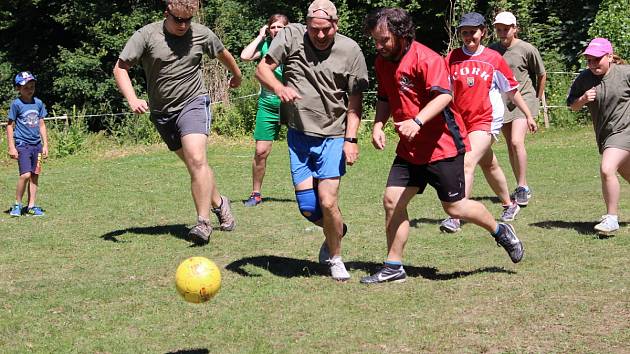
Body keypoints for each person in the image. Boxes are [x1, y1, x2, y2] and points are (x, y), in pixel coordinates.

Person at [360, 8, 524, 284]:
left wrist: (418, 120)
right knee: (392, 201)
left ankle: (500, 230)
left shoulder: (427, 58)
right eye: (375, 40)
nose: (379, 46)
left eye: (384, 39)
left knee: (455, 208)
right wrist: (378, 124)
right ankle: (394, 265)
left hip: (442, 146)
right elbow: (385, 95)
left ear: (401, 34)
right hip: (410, 149)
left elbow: (444, 97)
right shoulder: (382, 61)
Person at [255, 0, 369, 281]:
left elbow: (355, 99)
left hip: (333, 135)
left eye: (325, 30)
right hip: (299, 135)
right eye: (314, 29)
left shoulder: (350, 50)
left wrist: (351, 139)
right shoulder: (290, 36)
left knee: (328, 202)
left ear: (336, 25)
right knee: (309, 208)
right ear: (306, 24)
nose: (319, 36)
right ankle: (337, 230)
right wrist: (279, 87)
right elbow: (262, 69)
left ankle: (336, 258)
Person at [113, 0, 242, 244]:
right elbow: (120, 69)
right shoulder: (146, 35)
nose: (183, 25)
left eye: (188, 20)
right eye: (178, 20)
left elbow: (223, 54)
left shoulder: (202, 34)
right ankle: (219, 202)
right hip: (162, 113)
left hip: (193, 102)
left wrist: (236, 76)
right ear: (166, 14)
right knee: (195, 166)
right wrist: (132, 98)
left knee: (196, 159)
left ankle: (203, 223)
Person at [440, 12, 534, 233]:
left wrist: (528, 114)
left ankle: (455, 216)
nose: (469, 37)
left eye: (473, 32)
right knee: (488, 164)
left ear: (483, 32)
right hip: (462, 122)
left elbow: (511, 90)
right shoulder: (452, 57)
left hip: (486, 120)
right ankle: (509, 205)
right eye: (464, 33)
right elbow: (442, 86)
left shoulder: (493, 58)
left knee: (467, 162)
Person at [567, 38, 630, 235]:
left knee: (607, 168)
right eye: (589, 60)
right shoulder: (584, 78)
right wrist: (583, 99)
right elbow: (572, 106)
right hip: (606, 135)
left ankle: (611, 218)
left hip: (625, 130)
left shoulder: (625, 73)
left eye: (597, 59)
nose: (593, 64)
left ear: (610, 56)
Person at [489, 11, 545, 206]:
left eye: (506, 29)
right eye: (499, 29)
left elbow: (541, 74)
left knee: (516, 141)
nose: (503, 33)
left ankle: (522, 186)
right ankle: (520, 185)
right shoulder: (492, 51)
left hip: (525, 99)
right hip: (503, 101)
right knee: (510, 146)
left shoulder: (527, 49)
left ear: (515, 29)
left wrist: (536, 99)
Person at [240, 14, 289, 207]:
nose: (276, 30)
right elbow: (244, 56)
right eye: (273, 27)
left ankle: (311, 192)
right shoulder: (265, 47)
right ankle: (256, 193)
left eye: (280, 27)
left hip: (293, 104)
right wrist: (261, 37)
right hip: (268, 104)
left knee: (303, 148)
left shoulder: (296, 46)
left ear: (287, 28)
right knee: (260, 151)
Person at [6, 71, 49, 217]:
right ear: (18, 88)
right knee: (25, 175)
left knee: (34, 175)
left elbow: (42, 125)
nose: (30, 89)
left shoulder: (38, 103)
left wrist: (45, 145)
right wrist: (12, 147)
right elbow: (10, 126)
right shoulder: (16, 104)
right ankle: (17, 205)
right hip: (23, 145)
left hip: (37, 145)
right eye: (26, 87)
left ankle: (31, 206)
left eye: (32, 86)